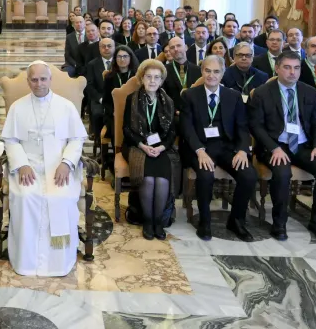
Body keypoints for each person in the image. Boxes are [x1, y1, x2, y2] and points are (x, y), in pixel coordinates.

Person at [1, 62, 88, 276]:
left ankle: (58, 261)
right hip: (28, 167)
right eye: (34, 79)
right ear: (28, 81)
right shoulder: (17, 107)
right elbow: (11, 141)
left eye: (43, 79)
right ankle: (26, 260)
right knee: (25, 197)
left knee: (60, 198)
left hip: (58, 167)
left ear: (50, 80)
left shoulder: (65, 106)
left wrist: (67, 163)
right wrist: (21, 165)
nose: (39, 84)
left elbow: (76, 139)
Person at [249, 51, 316, 243]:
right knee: (282, 172)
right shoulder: (262, 92)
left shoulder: (309, 91)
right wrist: (274, 148)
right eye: (287, 67)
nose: (292, 73)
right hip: (275, 145)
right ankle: (279, 222)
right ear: (277, 68)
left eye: (296, 68)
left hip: (303, 146)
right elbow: (256, 126)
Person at [180, 56, 256, 241]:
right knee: (205, 175)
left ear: (223, 73)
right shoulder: (189, 95)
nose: (211, 75)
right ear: (202, 71)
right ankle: (204, 221)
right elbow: (187, 128)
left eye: (216, 71)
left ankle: (236, 220)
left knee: (249, 175)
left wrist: (242, 150)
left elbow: (242, 126)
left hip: (227, 147)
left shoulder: (234, 96)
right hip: (199, 147)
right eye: (208, 71)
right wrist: (199, 151)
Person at [123, 59, 179, 240]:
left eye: (157, 77)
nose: (153, 81)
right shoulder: (132, 99)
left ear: (162, 80)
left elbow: (172, 131)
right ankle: (147, 221)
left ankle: (158, 222)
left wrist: (162, 147)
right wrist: (143, 146)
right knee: (148, 180)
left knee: (161, 180)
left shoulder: (168, 101)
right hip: (137, 145)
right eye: (149, 77)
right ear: (141, 78)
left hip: (161, 147)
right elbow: (127, 129)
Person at [103, 46, 138, 154]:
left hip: (135, 112)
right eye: (119, 56)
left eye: (125, 56)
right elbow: (106, 100)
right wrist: (113, 112)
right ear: (115, 59)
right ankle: (117, 156)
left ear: (130, 58)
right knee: (116, 128)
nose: (122, 59)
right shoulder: (109, 77)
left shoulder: (136, 76)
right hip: (114, 114)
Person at [84, 38, 115, 143]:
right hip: (99, 98)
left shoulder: (120, 62)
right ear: (99, 48)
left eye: (109, 46)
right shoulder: (92, 64)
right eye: (103, 46)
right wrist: (100, 99)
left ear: (114, 47)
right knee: (97, 114)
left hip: (117, 98)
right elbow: (89, 85)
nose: (106, 48)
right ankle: (99, 142)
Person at [163, 37, 199, 115]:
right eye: (172, 47)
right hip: (173, 116)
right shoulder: (164, 71)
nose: (176, 49)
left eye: (179, 45)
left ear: (186, 47)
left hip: (195, 114)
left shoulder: (198, 70)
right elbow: (162, 96)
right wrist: (174, 110)